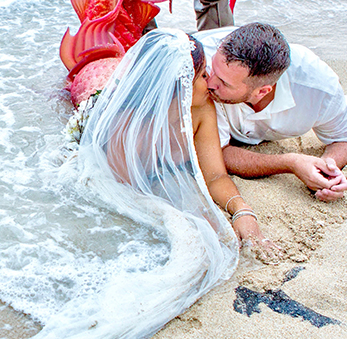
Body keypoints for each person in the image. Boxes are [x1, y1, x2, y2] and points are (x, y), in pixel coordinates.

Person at [75, 28, 275, 257]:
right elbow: (121, 192)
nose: (210, 82)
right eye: (202, 75)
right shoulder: (128, 122)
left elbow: (215, 176)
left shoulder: (201, 111)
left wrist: (242, 211)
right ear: (180, 84)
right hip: (122, 179)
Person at [196, 22, 347, 202]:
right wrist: (290, 163)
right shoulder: (199, 66)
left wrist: (326, 168)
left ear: (262, 91)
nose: (209, 83)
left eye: (224, 83)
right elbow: (214, 154)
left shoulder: (316, 87)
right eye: (212, 70)